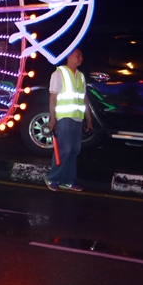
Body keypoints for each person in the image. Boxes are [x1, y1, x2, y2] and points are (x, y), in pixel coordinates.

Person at [45, 47, 92, 192]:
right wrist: (53, 119)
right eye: (78, 55)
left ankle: (67, 180)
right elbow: (53, 98)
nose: (81, 58)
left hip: (77, 118)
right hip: (64, 117)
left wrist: (89, 119)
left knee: (74, 149)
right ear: (69, 56)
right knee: (64, 149)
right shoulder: (59, 74)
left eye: (81, 55)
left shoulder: (81, 76)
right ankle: (52, 178)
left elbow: (84, 99)